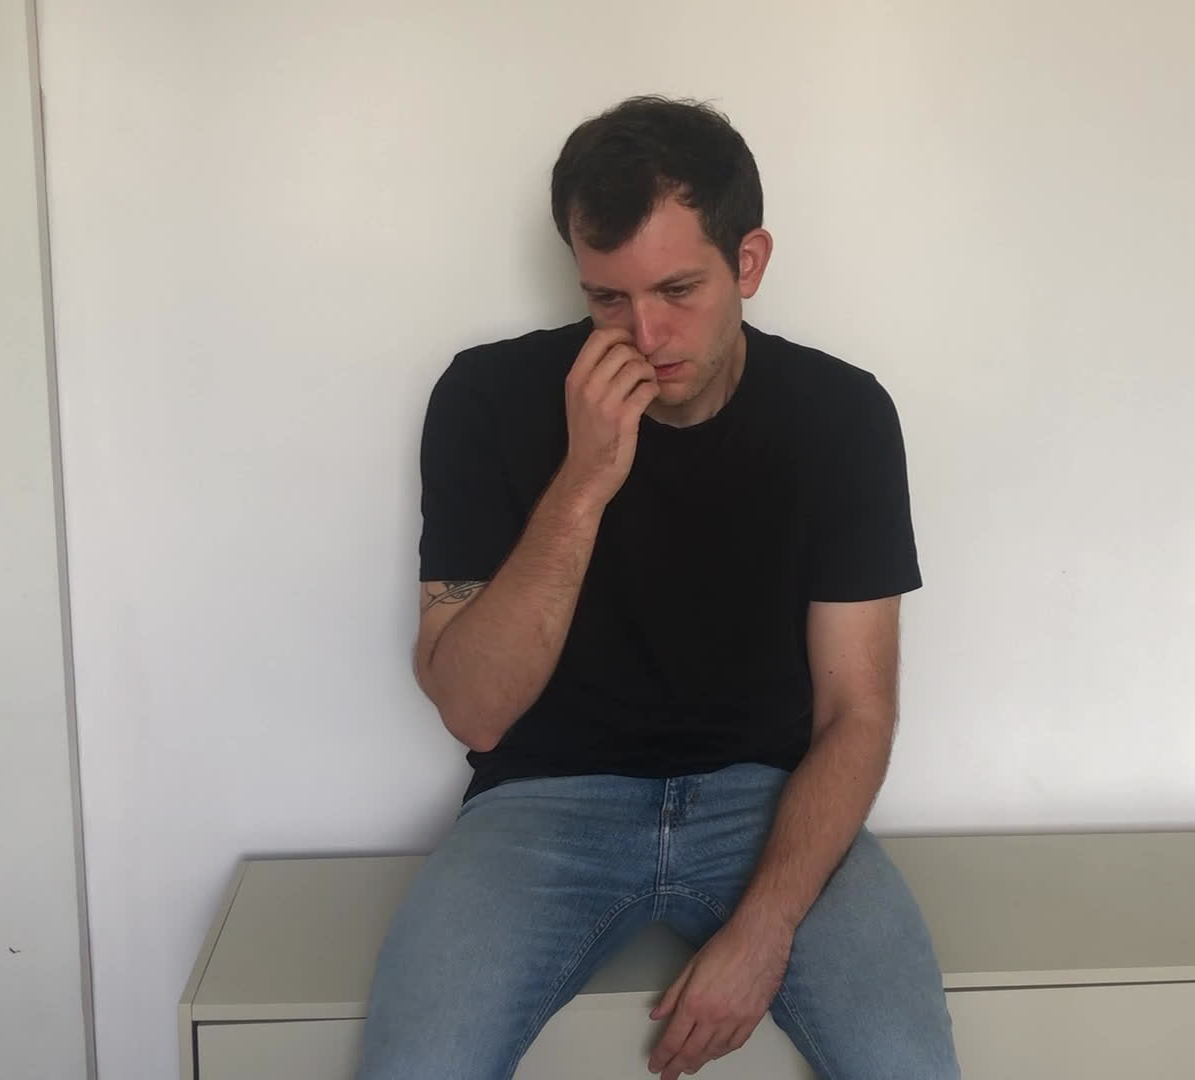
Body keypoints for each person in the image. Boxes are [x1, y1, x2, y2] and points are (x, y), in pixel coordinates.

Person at [356, 95, 958, 1080]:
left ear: (749, 262)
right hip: (544, 806)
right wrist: (585, 478)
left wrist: (764, 930)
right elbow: (474, 710)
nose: (645, 333)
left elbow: (859, 712)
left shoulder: (840, 416)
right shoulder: (485, 397)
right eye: (607, 299)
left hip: (770, 803)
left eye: (679, 289)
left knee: (909, 1067)